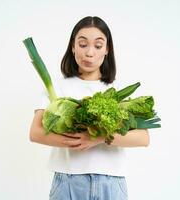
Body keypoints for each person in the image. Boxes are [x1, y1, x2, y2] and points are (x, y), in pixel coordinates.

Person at [29, 16, 150, 200]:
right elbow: (35, 133)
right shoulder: (57, 87)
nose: (89, 53)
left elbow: (143, 137)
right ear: (73, 46)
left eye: (98, 45)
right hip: (67, 182)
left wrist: (99, 138)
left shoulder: (117, 90)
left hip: (111, 183)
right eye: (83, 44)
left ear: (107, 49)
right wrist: (78, 141)